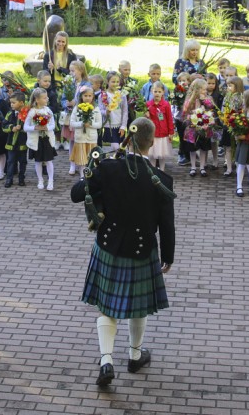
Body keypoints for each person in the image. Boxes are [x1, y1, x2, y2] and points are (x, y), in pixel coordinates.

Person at [70, 116, 175, 389]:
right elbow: (167, 224)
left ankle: (107, 360)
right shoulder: (161, 179)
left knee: (107, 307)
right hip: (143, 250)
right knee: (139, 305)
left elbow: (76, 194)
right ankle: (135, 355)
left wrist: (91, 173)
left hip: (109, 245)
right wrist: (168, 256)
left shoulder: (108, 168)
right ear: (151, 143)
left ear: (127, 139)